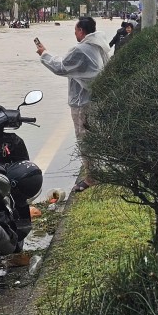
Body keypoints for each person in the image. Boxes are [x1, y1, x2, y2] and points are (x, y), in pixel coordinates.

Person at [35, 16, 110, 192]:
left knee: (83, 138)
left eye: (75, 30)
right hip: (94, 99)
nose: (74, 33)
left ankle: (91, 177)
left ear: (81, 31)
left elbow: (61, 67)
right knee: (93, 137)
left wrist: (44, 53)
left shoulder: (81, 50)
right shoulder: (99, 46)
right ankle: (97, 171)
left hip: (81, 103)